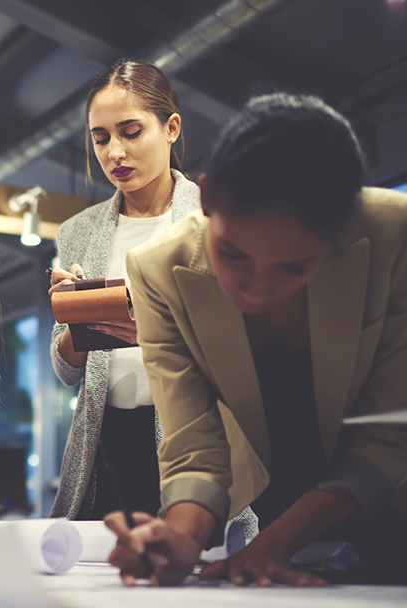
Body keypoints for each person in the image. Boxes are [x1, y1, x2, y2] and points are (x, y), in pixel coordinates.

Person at [108, 93, 407, 586]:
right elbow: (193, 444)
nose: (257, 287)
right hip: (281, 502)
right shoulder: (158, 270)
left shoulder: (395, 238)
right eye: (234, 254)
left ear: (342, 234)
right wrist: (180, 537)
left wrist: (280, 542)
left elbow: (392, 432)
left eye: (293, 267)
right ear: (205, 200)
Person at [48, 60, 198, 521]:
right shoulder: (78, 231)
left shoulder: (212, 221)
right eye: (100, 138)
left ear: (170, 127)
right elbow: (66, 369)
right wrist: (75, 317)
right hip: (104, 437)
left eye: (131, 132)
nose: (115, 152)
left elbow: (244, 352)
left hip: (191, 435)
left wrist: (150, 334)